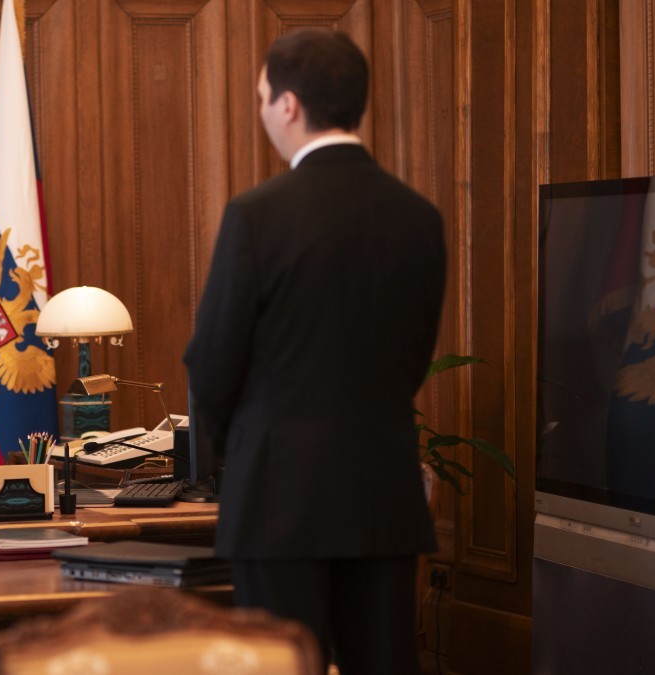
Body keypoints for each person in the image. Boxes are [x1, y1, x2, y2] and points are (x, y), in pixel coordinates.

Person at [183, 28, 446, 673]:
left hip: (278, 501)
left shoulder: (256, 215)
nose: (262, 110)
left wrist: (232, 456)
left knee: (283, 665)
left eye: (262, 97)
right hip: (384, 497)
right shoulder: (419, 216)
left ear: (290, 105)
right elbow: (415, 358)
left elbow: (213, 364)